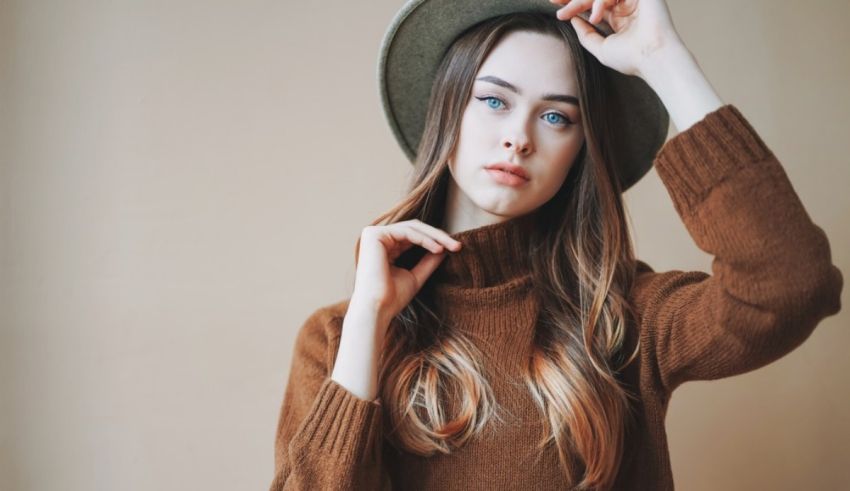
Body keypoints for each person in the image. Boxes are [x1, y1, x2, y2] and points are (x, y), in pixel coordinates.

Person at [268, 1, 844, 489]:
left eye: (555, 116)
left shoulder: (622, 317)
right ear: (447, 109)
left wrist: (661, 60)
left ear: (579, 151)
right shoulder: (337, 340)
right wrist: (370, 322)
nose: (519, 137)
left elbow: (792, 283)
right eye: (493, 100)